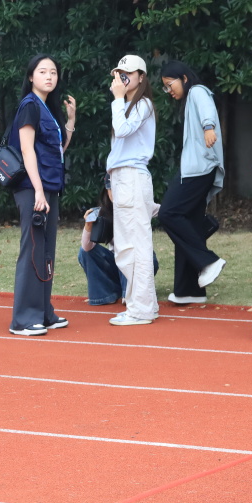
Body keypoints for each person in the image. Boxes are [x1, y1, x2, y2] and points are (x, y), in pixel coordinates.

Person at [7, 54, 76, 336]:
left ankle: (44, 312)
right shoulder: (30, 106)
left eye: (53, 72)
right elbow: (27, 150)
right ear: (31, 77)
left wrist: (70, 120)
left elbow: (57, 150)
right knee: (33, 249)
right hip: (32, 188)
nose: (49, 76)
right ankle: (23, 319)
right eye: (43, 71)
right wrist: (37, 190)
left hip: (49, 186)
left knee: (46, 251)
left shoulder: (46, 108)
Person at [157, 60, 225, 303]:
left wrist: (208, 127)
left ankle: (209, 261)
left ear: (184, 78)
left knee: (169, 213)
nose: (169, 90)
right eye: (165, 87)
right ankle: (189, 290)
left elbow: (207, 109)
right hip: (199, 167)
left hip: (199, 168)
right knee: (190, 223)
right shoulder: (190, 98)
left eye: (170, 84)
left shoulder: (197, 91)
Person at [106, 55, 160, 326]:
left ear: (141, 76)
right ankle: (142, 305)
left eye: (128, 73)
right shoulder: (127, 105)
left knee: (134, 245)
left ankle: (140, 309)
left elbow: (122, 130)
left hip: (132, 177)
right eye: (120, 73)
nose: (122, 78)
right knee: (127, 245)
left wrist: (117, 99)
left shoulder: (142, 104)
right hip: (123, 178)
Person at [79, 188, 159, 306]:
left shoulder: (140, 206)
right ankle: (105, 295)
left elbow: (167, 211)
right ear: (107, 192)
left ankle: (130, 294)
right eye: (111, 189)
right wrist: (88, 225)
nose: (116, 193)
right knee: (84, 251)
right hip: (116, 265)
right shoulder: (102, 212)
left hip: (141, 261)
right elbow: (87, 248)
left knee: (129, 250)